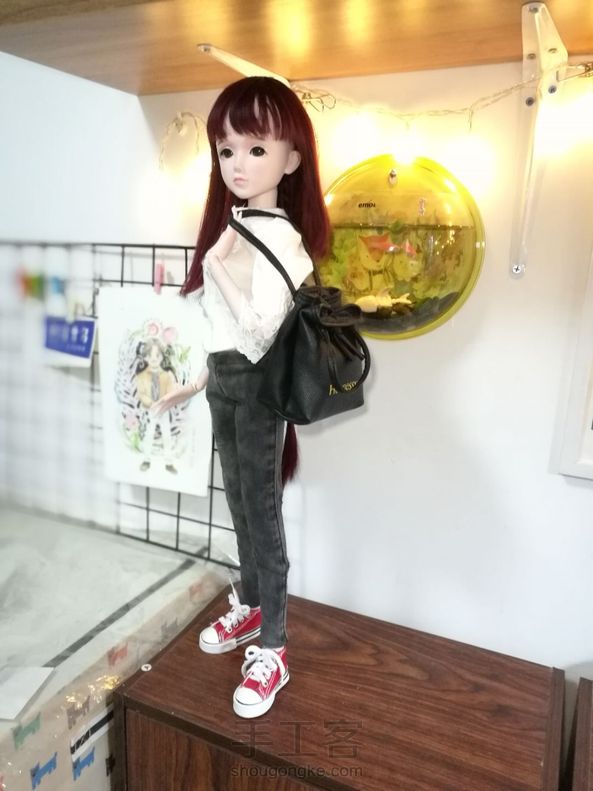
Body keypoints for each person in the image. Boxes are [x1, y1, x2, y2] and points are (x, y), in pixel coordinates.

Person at [152, 76, 330, 718]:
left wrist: (218, 266)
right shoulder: (233, 226)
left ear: (292, 159)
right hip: (222, 385)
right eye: (226, 150)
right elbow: (220, 332)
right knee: (238, 505)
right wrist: (194, 382)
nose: (238, 164)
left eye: (256, 149)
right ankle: (251, 606)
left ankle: (275, 646)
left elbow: (257, 333)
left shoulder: (282, 241)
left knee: (263, 515)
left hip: (257, 391)